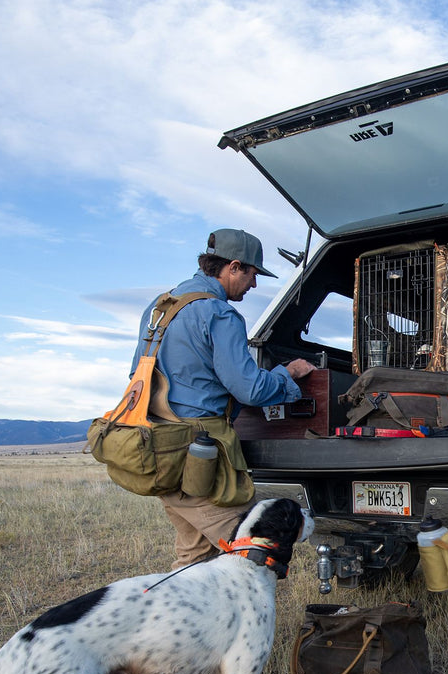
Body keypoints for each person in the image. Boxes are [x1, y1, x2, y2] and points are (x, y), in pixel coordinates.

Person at [133, 228, 314, 567]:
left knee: (194, 557)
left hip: (158, 450)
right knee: (250, 550)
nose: (255, 285)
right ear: (233, 267)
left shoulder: (159, 308)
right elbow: (250, 389)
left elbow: (137, 376)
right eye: (253, 274)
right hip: (200, 456)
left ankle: (184, 620)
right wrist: (286, 375)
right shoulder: (219, 313)